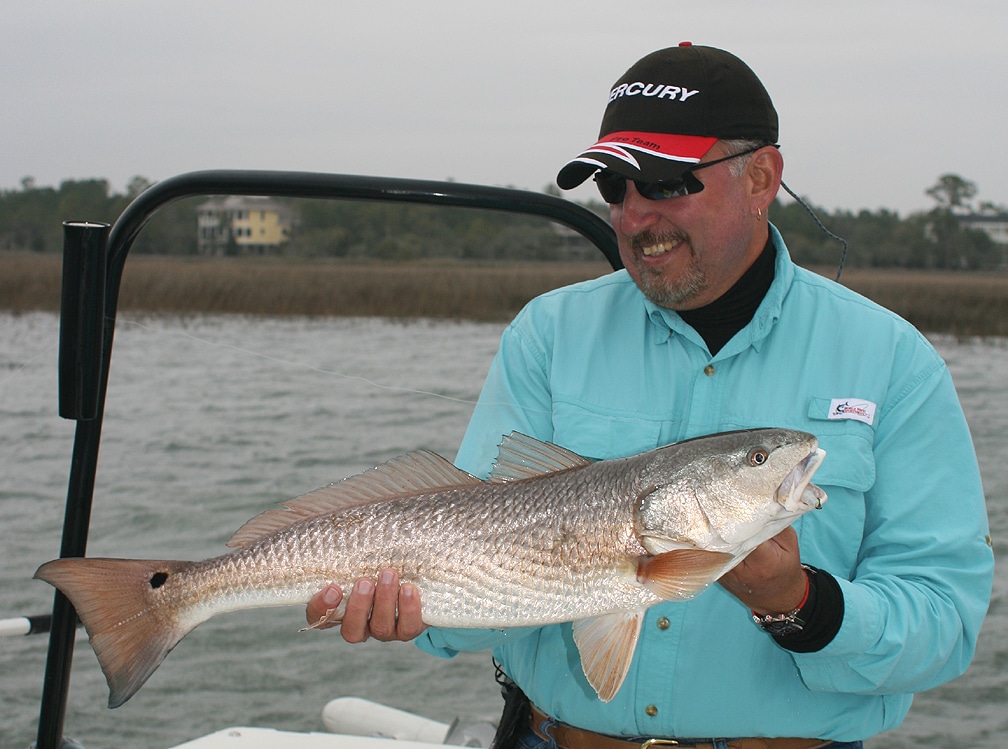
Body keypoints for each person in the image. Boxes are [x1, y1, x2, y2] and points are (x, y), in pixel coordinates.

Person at [307, 43, 994, 748]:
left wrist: (798, 603)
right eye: (614, 188)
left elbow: (944, 623)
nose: (633, 218)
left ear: (761, 177)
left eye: (666, 183)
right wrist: (410, 610)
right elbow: (474, 563)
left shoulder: (894, 361)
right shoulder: (547, 333)